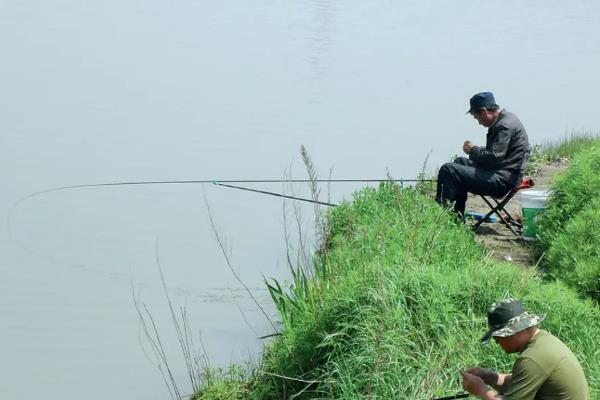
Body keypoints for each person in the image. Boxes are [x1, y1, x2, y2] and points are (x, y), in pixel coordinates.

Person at [461, 298, 590, 399]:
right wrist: (492, 377)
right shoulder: (544, 341)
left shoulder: (532, 359)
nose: (497, 343)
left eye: (498, 338)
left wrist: (480, 390)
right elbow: (522, 382)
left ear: (513, 331)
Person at [435, 92, 531, 218]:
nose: (478, 122)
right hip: (501, 173)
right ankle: (457, 216)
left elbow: (494, 157)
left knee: (448, 170)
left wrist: (473, 150)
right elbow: (497, 155)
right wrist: (475, 150)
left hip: (502, 181)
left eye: (477, 117)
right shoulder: (506, 119)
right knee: (459, 162)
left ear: (484, 111)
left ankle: (439, 216)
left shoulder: (504, 126)